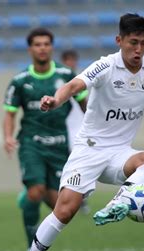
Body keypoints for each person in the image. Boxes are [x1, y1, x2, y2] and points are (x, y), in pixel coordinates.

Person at [8, 13, 144, 251]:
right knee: (65, 211)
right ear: (119, 41)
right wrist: (55, 100)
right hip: (89, 150)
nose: (138, 50)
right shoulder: (105, 66)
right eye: (133, 43)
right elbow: (73, 86)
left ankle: (121, 199)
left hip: (120, 154)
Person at [3, 28, 87, 251]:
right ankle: (32, 244)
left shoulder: (66, 74)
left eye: (46, 44)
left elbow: (84, 103)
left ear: (52, 47)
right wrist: (8, 137)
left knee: (62, 206)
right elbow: (10, 114)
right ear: (30, 49)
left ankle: (30, 195)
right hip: (32, 143)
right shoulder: (20, 81)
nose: (42, 48)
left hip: (59, 145)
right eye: (38, 44)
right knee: (36, 191)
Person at [61, 49, 91, 214]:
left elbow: (85, 106)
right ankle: (67, 199)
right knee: (64, 167)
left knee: (79, 168)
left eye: (73, 60)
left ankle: (82, 200)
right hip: (63, 130)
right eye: (68, 60)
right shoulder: (59, 83)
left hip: (79, 131)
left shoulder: (81, 82)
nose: (71, 64)